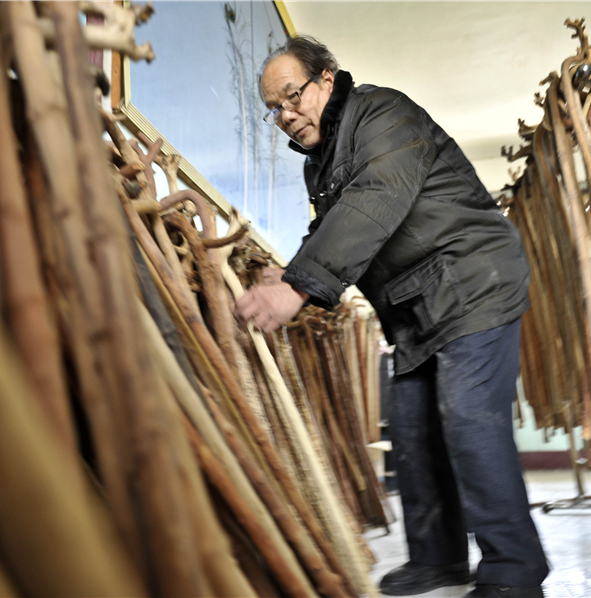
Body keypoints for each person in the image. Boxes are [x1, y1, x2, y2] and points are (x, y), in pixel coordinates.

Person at [235, 35, 549, 598]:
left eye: (292, 96)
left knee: (470, 421)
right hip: (415, 306)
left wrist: (300, 287)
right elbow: (329, 227)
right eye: (273, 108)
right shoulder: (322, 163)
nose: (284, 115)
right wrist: (288, 271)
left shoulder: (383, 113)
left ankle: (515, 572)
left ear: (326, 78)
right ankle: (438, 560)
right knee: (414, 430)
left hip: (473, 280)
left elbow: (374, 199)